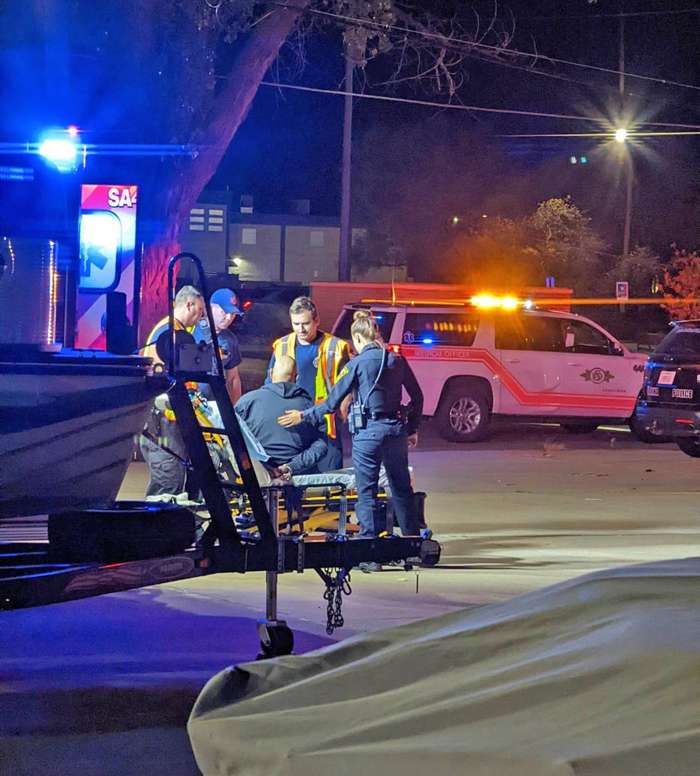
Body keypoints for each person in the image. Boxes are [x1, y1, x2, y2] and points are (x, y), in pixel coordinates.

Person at [279, 310, 424, 545]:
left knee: (365, 492)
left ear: (357, 339)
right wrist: (413, 428)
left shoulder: (356, 364)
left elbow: (330, 403)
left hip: (368, 434)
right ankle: (413, 543)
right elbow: (418, 397)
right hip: (396, 432)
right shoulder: (397, 360)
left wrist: (303, 416)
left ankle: (369, 549)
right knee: (401, 489)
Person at [268, 296, 350, 472]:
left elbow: (347, 386)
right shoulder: (281, 346)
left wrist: (343, 409)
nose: (301, 329)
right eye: (296, 324)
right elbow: (270, 385)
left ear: (316, 320)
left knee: (329, 481)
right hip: (293, 424)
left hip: (325, 423)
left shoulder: (335, 347)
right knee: (294, 479)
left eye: (305, 323)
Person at [139, 286, 204, 497]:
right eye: (200, 310)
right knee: (168, 483)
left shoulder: (166, 329)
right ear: (189, 304)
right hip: (163, 422)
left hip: (162, 418)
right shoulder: (172, 334)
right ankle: (156, 527)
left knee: (173, 480)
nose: (201, 316)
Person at [236, 355, 328, 479]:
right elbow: (321, 446)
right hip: (299, 478)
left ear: (271, 373)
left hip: (258, 478)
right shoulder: (309, 408)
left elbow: (232, 439)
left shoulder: (246, 402)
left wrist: (263, 467)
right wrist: (292, 466)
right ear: (297, 377)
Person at [193, 287, 243, 405]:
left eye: (233, 314)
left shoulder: (230, 340)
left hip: (214, 405)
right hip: (189, 403)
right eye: (225, 312)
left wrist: (235, 410)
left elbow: (233, 378)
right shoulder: (192, 330)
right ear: (210, 308)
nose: (229, 318)